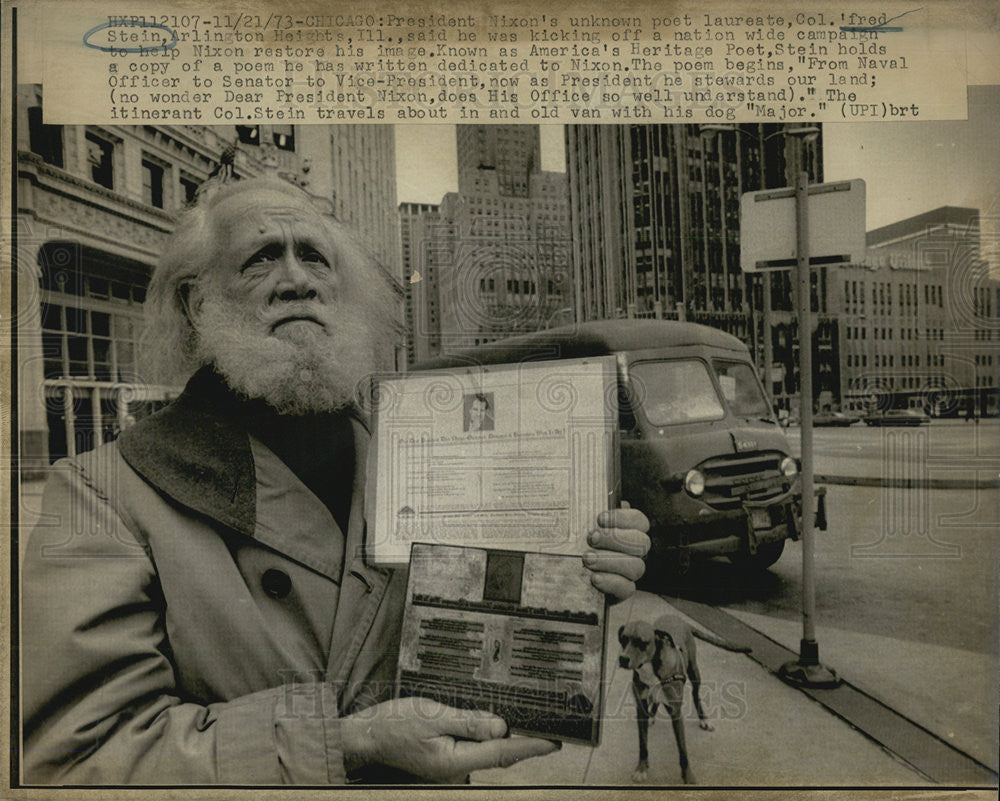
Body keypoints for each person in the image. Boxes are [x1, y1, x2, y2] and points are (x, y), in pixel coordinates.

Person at [20, 177, 651, 785]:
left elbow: (477, 633)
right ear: (198, 301)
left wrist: (572, 577)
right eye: (261, 258)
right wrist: (348, 743)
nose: (297, 280)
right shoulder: (102, 492)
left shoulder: (424, 456)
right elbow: (78, 756)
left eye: (316, 259)